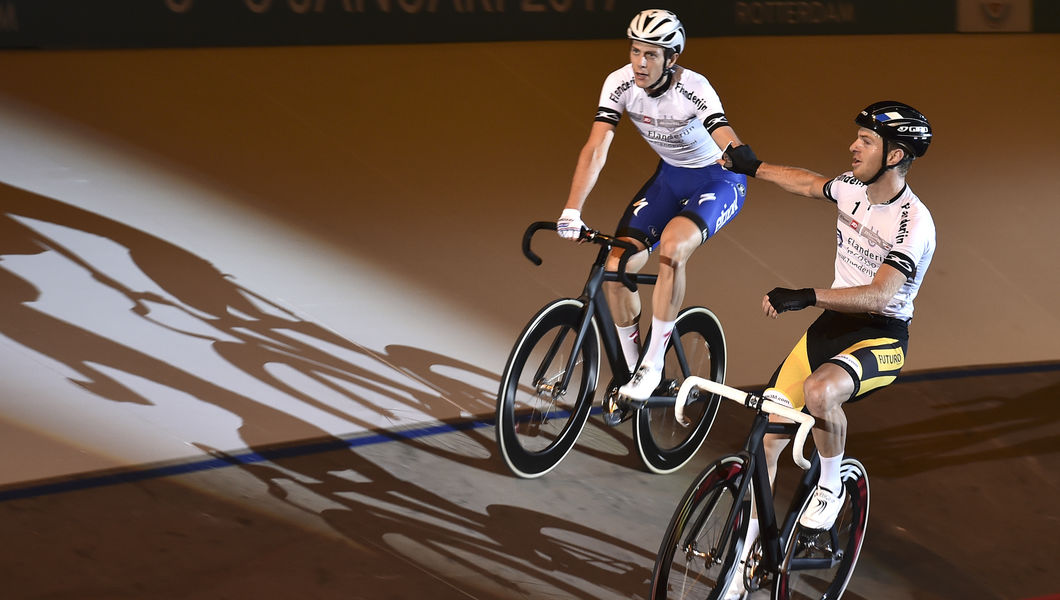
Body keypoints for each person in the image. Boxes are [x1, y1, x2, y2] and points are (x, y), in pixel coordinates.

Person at [719, 100, 935, 598]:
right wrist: (754, 166)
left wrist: (806, 295)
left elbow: (882, 294)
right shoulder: (854, 188)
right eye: (856, 137)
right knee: (767, 438)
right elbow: (809, 182)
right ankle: (744, 555)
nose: (853, 146)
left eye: (865, 141)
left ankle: (833, 484)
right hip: (830, 329)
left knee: (819, 393)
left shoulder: (913, 222)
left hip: (880, 337)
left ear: (895, 154)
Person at [556, 9, 751, 417]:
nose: (640, 63)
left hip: (717, 181)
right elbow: (596, 148)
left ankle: (653, 361)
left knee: (674, 247)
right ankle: (633, 372)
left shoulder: (694, 87)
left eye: (651, 54)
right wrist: (572, 209)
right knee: (615, 267)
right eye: (635, 51)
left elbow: (722, 130)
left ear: (672, 58)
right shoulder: (620, 83)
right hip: (669, 180)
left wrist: (739, 152)